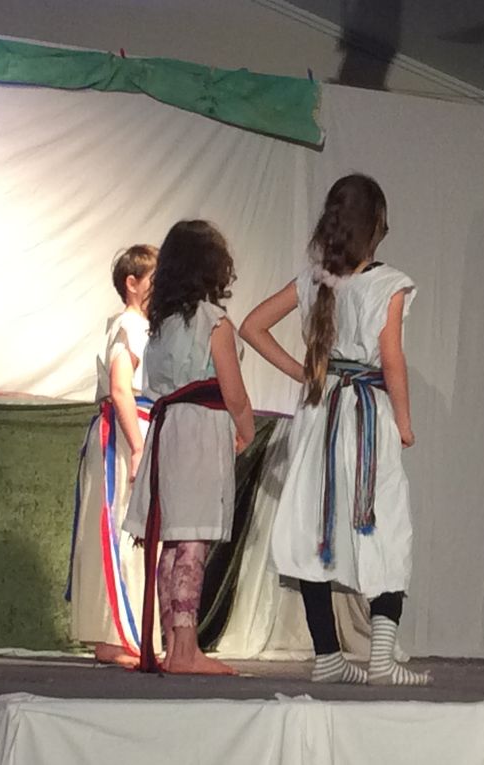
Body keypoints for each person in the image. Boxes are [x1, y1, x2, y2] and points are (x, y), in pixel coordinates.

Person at [240, 173, 428, 686]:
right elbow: (392, 359)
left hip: (320, 412)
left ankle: (328, 654)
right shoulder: (388, 284)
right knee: (384, 522)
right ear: (377, 225)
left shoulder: (314, 279)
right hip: (365, 413)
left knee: (314, 525)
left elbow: (252, 325)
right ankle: (381, 659)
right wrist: (405, 422)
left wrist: (308, 373)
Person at [124, 220, 254, 675]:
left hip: (168, 432)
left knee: (173, 537)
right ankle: (185, 649)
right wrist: (246, 430)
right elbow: (234, 393)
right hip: (198, 433)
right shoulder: (213, 322)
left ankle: (172, 643)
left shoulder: (160, 327)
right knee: (193, 538)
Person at [69, 244, 159, 667]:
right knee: (120, 530)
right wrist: (137, 447)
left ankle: (134, 634)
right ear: (132, 283)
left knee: (138, 535)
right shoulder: (129, 325)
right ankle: (114, 637)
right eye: (154, 279)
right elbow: (122, 387)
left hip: (138, 427)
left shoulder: (145, 328)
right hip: (123, 435)